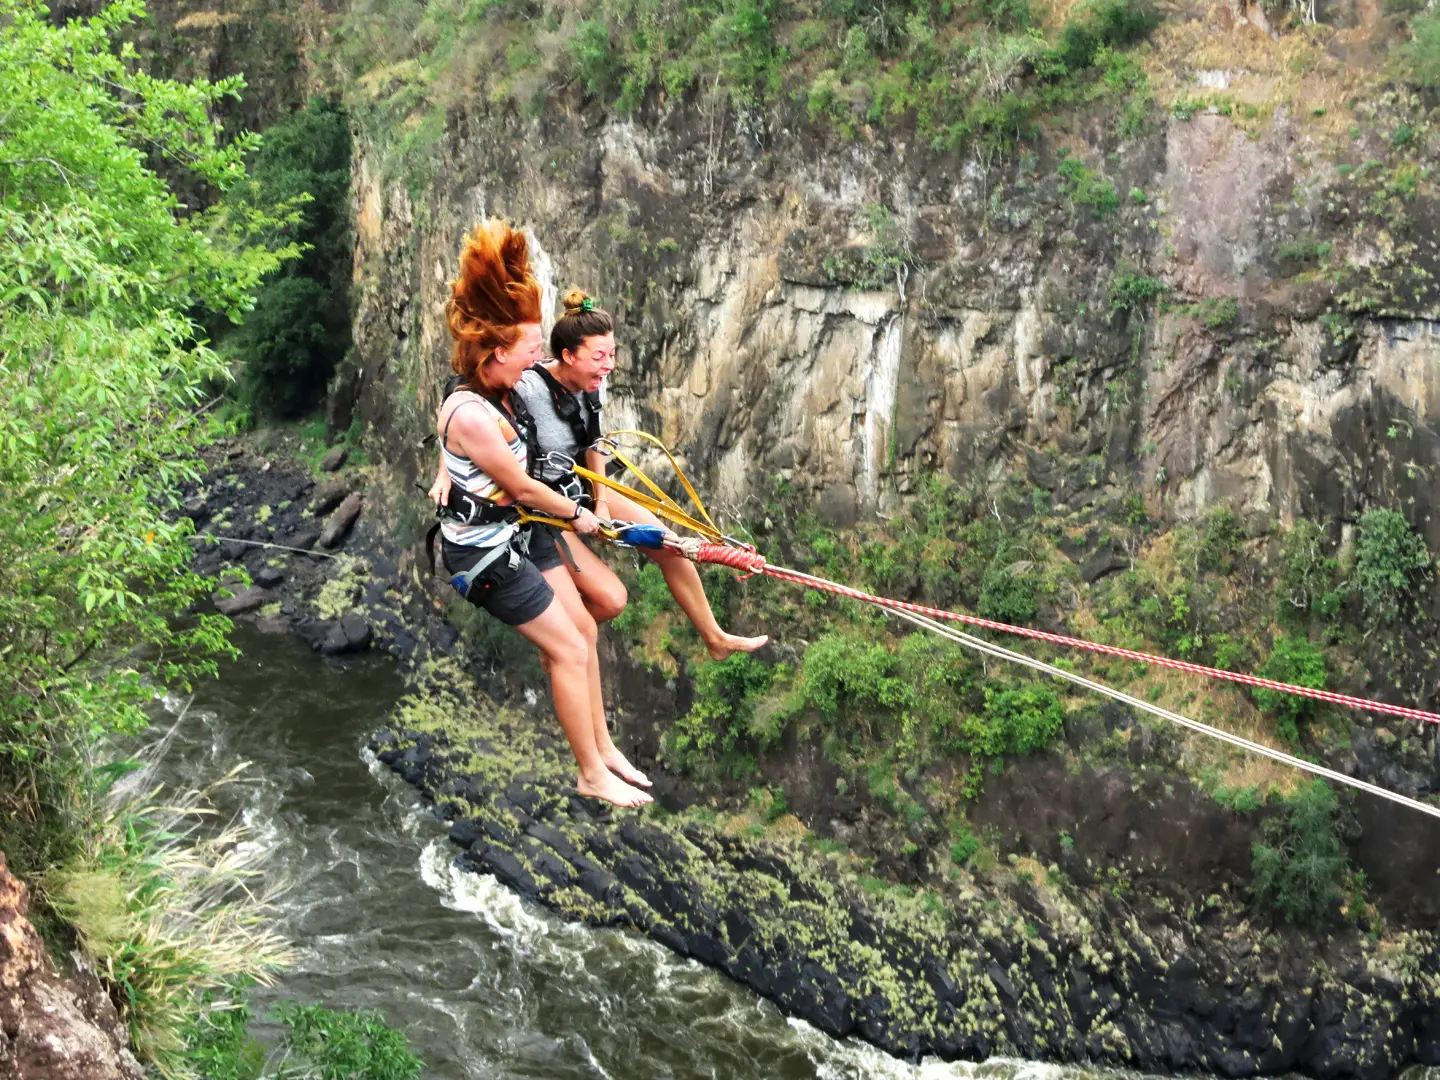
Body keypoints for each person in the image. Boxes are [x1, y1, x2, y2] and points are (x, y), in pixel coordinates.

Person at [432, 221, 652, 808]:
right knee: (569, 648)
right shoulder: (474, 413)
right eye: (530, 349)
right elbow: (523, 487)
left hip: (516, 535)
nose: (537, 358)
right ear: (499, 352)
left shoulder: (500, 388)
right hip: (485, 554)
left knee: (585, 630)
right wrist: (580, 515)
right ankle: (590, 772)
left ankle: (603, 747)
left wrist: (444, 468)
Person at [430, 288, 767, 660]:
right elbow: (463, 398)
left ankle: (714, 638)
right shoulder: (528, 385)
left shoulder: (592, 385)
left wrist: (602, 500)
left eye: (612, 354)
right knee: (612, 599)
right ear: (568, 356)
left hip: (579, 486)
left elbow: (593, 442)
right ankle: (559, 647)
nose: (608, 365)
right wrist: (445, 471)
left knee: (670, 546)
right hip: (543, 505)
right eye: (598, 356)